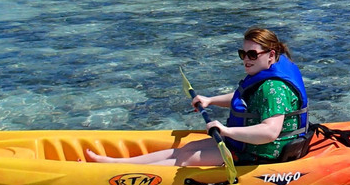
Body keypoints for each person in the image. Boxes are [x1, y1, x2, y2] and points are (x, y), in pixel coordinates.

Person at [87, 27, 309, 166]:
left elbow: (270, 131)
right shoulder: (265, 79)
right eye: (243, 53)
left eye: (252, 54)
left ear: (271, 55)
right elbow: (247, 98)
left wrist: (227, 130)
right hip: (246, 145)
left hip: (264, 153)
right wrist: (210, 100)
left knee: (187, 159)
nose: (246, 59)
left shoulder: (273, 88)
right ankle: (115, 162)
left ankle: (113, 170)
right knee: (185, 149)